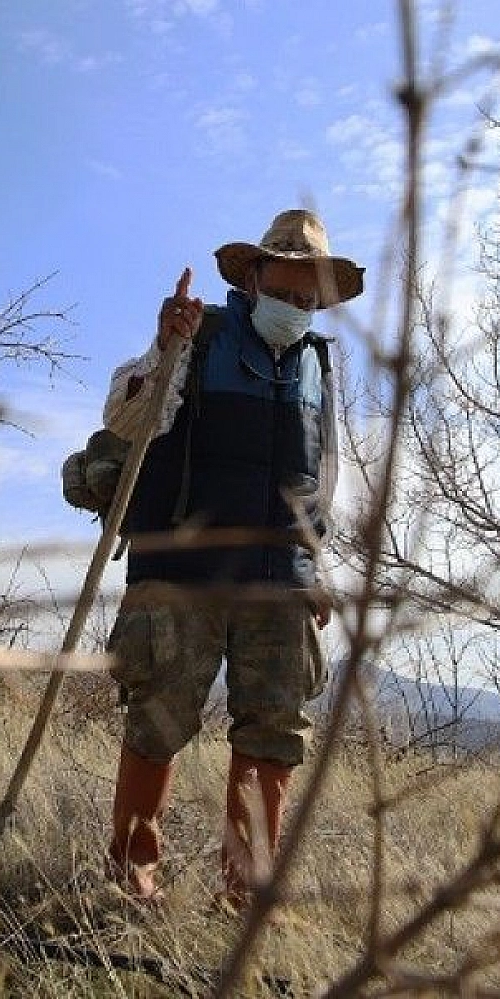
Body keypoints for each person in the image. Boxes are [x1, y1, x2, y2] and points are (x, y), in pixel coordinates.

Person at [101, 208, 363, 909]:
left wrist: (317, 569)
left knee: (274, 731)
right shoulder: (201, 335)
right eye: (288, 289)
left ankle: (241, 896)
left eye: (312, 297)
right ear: (253, 276)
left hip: (280, 583)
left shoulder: (318, 366)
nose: (299, 305)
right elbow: (125, 418)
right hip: (184, 571)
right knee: (157, 714)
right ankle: (132, 879)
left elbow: (320, 479)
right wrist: (164, 345)